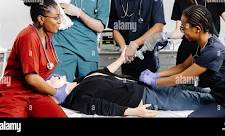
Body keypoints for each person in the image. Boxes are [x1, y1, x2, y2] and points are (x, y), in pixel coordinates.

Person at [140, 5, 225, 118]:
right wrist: (156, 75)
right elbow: (182, 66)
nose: (182, 31)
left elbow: (180, 78)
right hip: (220, 100)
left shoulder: (213, 51)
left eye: (184, 27)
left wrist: (154, 81)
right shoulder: (198, 45)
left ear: (197, 29)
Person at [48, 47, 214, 117]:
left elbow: (105, 71)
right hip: (143, 98)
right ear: (54, 92)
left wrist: (122, 57)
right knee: (192, 99)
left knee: (193, 89)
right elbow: (102, 107)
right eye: (50, 81)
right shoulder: (77, 98)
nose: (52, 76)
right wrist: (134, 112)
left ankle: (220, 95)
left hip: (143, 85)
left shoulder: (81, 80)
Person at [0, 0, 68, 117]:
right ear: (41, 19)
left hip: (36, 93)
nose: (59, 22)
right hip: (15, 94)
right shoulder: (28, 36)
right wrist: (56, 92)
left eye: (59, 17)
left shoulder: (48, 35)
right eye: (56, 18)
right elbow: (31, 78)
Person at [52, 0, 110, 82]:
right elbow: (46, 8)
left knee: (88, 91)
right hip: (63, 48)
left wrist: (79, 13)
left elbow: (100, 27)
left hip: (87, 52)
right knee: (59, 90)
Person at [108, 0, 166, 79]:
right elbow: (115, 28)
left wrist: (134, 44)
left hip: (148, 57)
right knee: (129, 92)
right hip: (127, 59)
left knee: (148, 93)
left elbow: (158, 26)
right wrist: (124, 47)